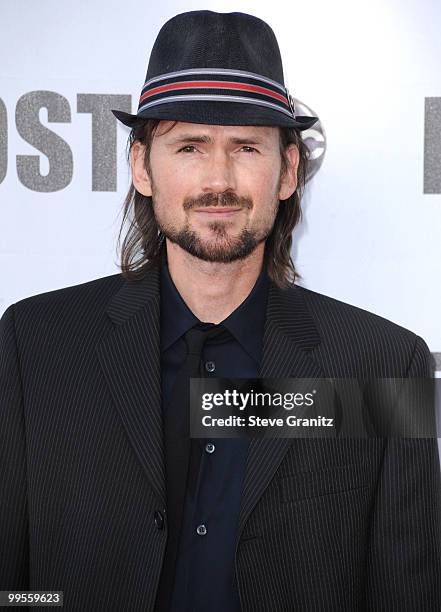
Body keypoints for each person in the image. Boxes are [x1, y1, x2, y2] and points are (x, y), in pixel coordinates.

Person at [1, 9, 440, 612]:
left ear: (287, 171)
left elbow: (407, 592)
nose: (219, 179)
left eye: (246, 148)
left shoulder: (385, 364)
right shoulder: (36, 345)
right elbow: (14, 588)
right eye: (189, 146)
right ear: (140, 167)